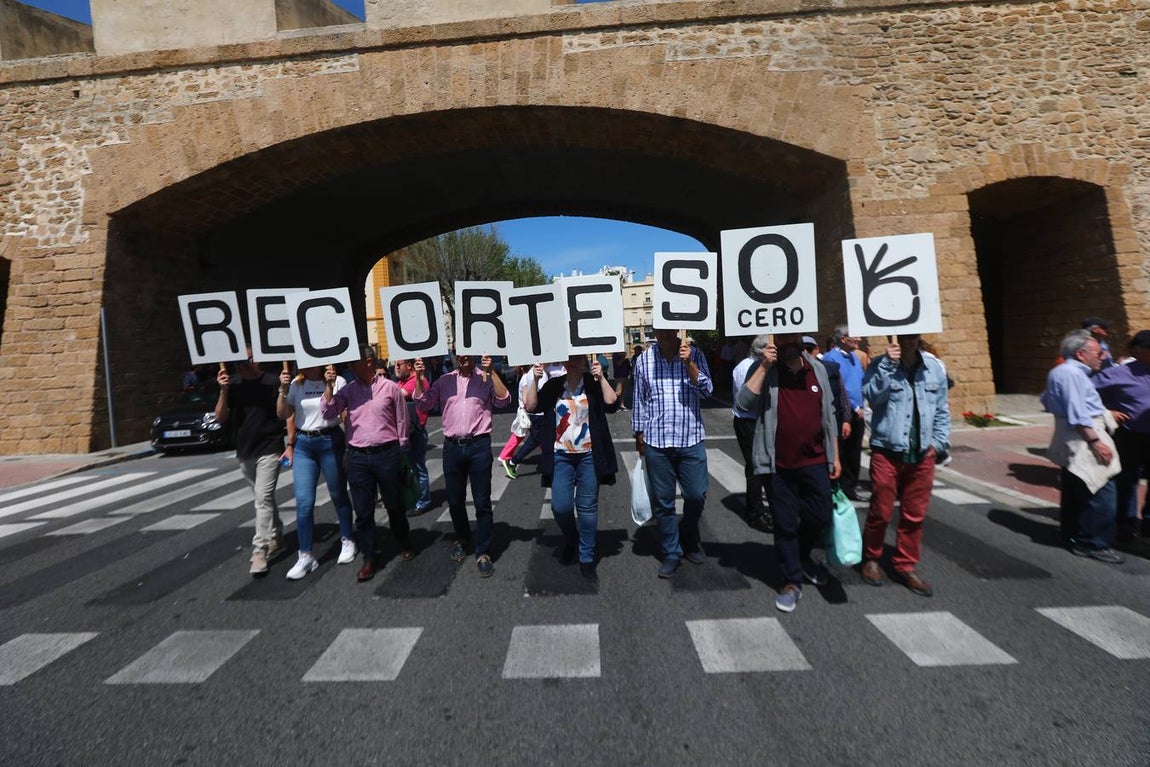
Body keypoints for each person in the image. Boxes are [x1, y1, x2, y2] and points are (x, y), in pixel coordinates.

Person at [736, 333, 840, 612]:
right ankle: (791, 580)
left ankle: (803, 557)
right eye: (782, 337)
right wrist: (763, 367)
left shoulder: (817, 367)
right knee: (784, 523)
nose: (787, 341)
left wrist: (835, 455)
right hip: (777, 464)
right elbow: (742, 404)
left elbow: (828, 413)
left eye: (792, 336)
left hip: (815, 461)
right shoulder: (764, 368)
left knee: (819, 515)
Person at [859, 335, 950, 596]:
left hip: (922, 453)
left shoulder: (934, 367)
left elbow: (942, 409)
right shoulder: (879, 364)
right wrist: (888, 364)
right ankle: (871, 558)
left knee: (914, 515)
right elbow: (872, 397)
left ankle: (905, 565)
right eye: (905, 336)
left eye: (914, 336)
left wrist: (938, 444)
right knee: (881, 510)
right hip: (887, 451)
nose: (910, 341)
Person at [319, 344, 412, 582]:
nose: (349, 367)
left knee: (394, 504)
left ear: (368, 362)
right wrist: (328, 385)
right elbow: (328, 412)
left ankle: (404, 541)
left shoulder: (389, 387)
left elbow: (402, 419)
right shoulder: (348, 391)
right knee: (362, 510)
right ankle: (370, 557)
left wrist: (401, 450)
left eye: (354, 362)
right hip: (358, 456)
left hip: (387, 453)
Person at [414, 352, 510, 578]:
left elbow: (504, 400)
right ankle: (464, 538)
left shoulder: (484, 377)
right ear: (455, 356)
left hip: (479, 446)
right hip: (452, 447)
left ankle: (483, 550)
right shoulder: (444, 381)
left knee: (482, 501)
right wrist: (419, 377)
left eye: (467, 352)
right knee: (455, 500)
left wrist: (492, 370)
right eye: (458, 353)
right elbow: (423, 403)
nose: (463, 357)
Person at [524, 354, 619, 581]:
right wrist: (535, 379)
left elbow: (612, 404)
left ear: (585, 359)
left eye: (577, 356)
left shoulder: (593, 383)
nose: (572, 360)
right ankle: (570, 537)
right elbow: (531, 405)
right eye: (568, 357)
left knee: (587, 509)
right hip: (561, 457)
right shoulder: (555, 385)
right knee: (561, 507)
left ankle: (586, 557)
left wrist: (602, 378)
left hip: (588, 456)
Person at [632, 328, 713, 578]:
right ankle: (671, 552)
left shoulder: (695, 354)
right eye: (659, 327)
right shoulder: (644, 359)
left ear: (676, 327)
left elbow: (707, 391)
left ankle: (689, 537)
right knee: (664, 502)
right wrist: (639, 433)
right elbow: (640, 399)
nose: (664, 333)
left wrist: (690, 365)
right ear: (654, 329)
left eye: (669, 327)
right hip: (657, 441)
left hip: (690, 439)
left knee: (696, 494)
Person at [1041, 330, 1123, 563]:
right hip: (1084, 439)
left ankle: (1071, 536)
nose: (1103, 355)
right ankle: (1094, 543)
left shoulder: (1060, 372)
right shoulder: (1072, 374)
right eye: (1098, 352)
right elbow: (1078, 413)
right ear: (1081, 354)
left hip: (1070, 437)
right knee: (1101, 491)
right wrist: (1096, 442)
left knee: (1075, 492)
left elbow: (1046, 401)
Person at [215, 352, 293, 576]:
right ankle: (277, 535)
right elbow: (220, 417)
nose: (241, 364)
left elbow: (282, 414)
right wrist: (223, 392)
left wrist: (282, 390)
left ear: (256, 359)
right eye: (237, 360)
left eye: (246, 359)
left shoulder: (271, 380)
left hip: (269, 448)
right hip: (244, 449)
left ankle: (259, 550)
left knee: (263, 499)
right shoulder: (232, 384)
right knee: (263, 499)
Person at [276, 364, 357, 579]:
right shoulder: (295, 384)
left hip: (330, 439)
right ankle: (305, 555)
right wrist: (282, 390)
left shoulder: (337, 380)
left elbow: (345, 414)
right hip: (304, 444)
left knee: (338, 494)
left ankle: (347, 539)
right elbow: (284, 414)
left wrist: (349, 446)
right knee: (303, 502)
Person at [1093, 330, 1150, 541]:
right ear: (1139, 351)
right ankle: (1125, 525)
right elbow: (1087, 394)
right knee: (1128, 481)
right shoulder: (1118, 374)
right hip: (1130, 436)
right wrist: (1107, 412)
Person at [732, 335, 773, 533]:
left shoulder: (744, 365)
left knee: (761, 466)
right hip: (749, 420)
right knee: (755, 466)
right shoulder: (749, 368)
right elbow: (748, 399)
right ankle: (755, 511)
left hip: (753, 420)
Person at [823, 326, 868, 501]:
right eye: (853, 336)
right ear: (843, 339)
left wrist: (861, 406)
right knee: (840, 451)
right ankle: (837, 487)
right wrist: (854, 407)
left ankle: (850, 487)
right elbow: (839, 389)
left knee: (854, 452)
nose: (858, 339)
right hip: (842, 412)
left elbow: (859, 383)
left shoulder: (855, 358)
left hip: (858, 412)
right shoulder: (831, 358)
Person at [394, 358, 433, 516]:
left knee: (418, 468)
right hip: (403, 432)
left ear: (409, 366)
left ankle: (423, 501)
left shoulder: (417, 381)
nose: (395, 367)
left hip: (415, 432)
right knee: (406, 467)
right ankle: (411, 498)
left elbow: (398, 395)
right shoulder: (400, 382)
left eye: (398, 365)